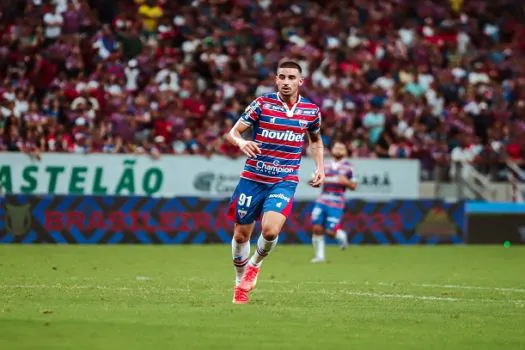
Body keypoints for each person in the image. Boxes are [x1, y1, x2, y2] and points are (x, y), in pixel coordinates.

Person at [226, 58, 325, 304]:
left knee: (270, 231)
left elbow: (315, 141)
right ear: (276, 80)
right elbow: (233, 133)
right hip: (252, 178)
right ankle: (239, 283)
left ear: (301, 82)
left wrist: (320, 168)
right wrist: (242, 142)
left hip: (284, 179)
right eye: (282, 77)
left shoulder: (311, 111)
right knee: (241, 236)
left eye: (292, 78)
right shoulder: (262, 104)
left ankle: (255, 265)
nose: (286, 82)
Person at [310, 141, 357, 263]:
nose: (338, 150)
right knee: (316, 228)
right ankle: (320, 256)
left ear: (345, 152)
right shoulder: (324, 165)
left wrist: (346, 182)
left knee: (330, 231)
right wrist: (314, 180)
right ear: (332, 150)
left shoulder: (349, 167)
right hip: (322, 200)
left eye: (341, 148)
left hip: (337, 202)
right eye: (336, 147)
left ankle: (341, 235)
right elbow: (313, 180)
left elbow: (354, 186)